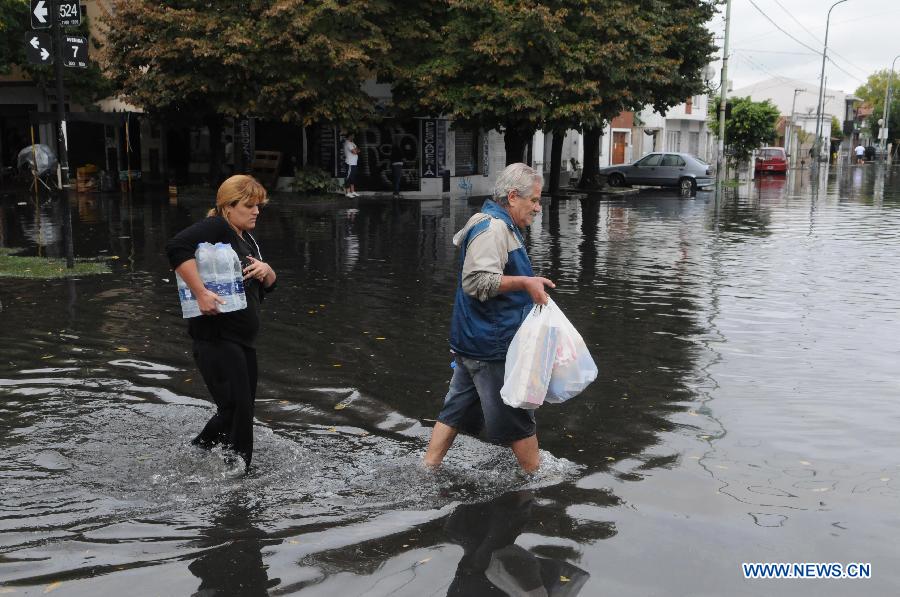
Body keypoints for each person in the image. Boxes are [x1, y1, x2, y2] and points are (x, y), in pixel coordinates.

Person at [424, 163, 554, 473]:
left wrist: (526, 281)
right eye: (534, 200)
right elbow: (476, 281)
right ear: (512, 197)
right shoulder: (493, 228)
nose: (538, 207)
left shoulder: (496, 225)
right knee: (518, 415)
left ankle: (427, 468)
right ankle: (535, 480)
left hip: (474, 342)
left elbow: (492, 276)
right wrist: (525, 282)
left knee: (455, 411)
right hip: (491, 346)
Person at [165, 175, 277, 472]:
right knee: (237, 408)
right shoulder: (217, 228)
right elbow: (177, 247)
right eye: (249, 205)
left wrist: (267, 271)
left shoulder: (246, 237)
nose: (256, 211)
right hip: (216, 337)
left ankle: (203, 452)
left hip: (242, 340)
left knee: (238, 408)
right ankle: (237, 469)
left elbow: (268, 286)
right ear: (228, 207)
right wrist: (200, 292)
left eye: (259, 206)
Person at [343, 133, 360, 198]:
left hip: (354, 163)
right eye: (353, 135)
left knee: (353, 178)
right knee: (348, 178)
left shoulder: (352, 143)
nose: (354, 136)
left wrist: (356, 150)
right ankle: (348, 192)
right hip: (350, 163)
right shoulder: (348, 143)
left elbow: (358, 150)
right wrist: (356, 150)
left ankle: (352, 191)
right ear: (350, 136)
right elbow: (355, 152)